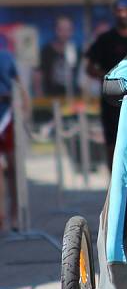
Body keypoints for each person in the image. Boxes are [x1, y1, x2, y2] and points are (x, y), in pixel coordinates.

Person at [85, 0, 127, 169]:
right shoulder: (105, 39)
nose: (123, 14)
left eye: (126, 10)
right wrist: (110, 78)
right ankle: (114, 183)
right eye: (119, 10)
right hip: (111, 100)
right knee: (112, 143)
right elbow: (89, 68)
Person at [0, 36, 30, 232]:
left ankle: (14, 216)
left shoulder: (5, 56)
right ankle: (3, 217)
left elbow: (19, 86)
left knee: (13, 168)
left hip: (7, 116)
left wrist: (25, 112)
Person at [34, 15, 79, 98]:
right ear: (56, 30)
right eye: (61, 30)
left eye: (68, 30)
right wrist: (40, 97)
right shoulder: (46, 51)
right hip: (51, 98)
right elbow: (38, 75)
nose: (65, 33)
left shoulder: (76, 51)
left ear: (72, 31)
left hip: (72, 98)